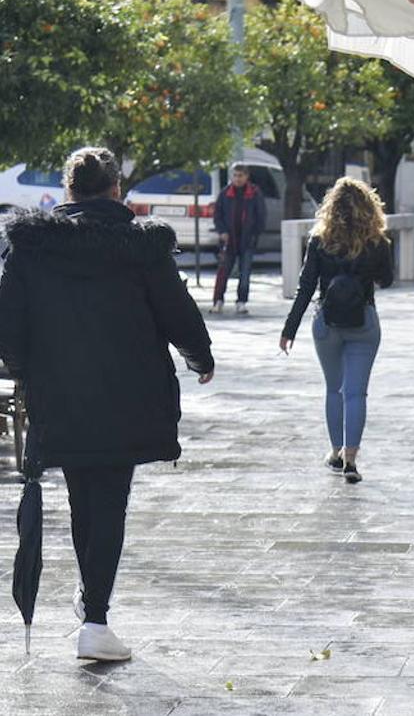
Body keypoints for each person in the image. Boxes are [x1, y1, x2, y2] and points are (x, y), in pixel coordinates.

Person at [0, 147, 214, 661]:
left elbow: (8, 318)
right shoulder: (140, 245)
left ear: (69, 190)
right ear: (116, 189)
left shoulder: (30, 246)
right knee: (110, 497)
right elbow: (175, 309)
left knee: (82, 493)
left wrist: (23, 369)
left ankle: (91, 601)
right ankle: (94, 617)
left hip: (59, 390)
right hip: (129, 390)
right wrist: (199, 355)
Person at [280, 178, 393, 485]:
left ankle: (335, 452)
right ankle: (352, 460)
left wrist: (288, 329)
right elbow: (387, 280)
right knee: (356, 392)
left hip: (326, 323)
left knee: (334, 389)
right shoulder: (377, 241)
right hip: (364, 322)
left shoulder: (319, 240)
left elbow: (305, 288)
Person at [210, 163, 266, 315]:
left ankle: (241, 302)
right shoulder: (225, 193)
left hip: (247, 240)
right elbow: (218, 215)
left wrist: (255, 234)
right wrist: (222, 231)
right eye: (235, 175)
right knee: (223, 272)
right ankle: (218, 301)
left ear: (247, 176)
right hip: (229, 240)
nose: (237, 179)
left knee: (245, 273)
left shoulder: (254, 193)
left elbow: (261, 216)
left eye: (240, 175)